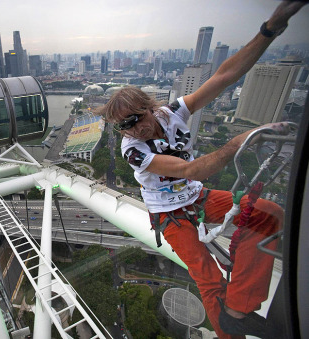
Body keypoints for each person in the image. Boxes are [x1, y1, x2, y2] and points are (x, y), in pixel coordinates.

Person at [96, 2, 306, 338]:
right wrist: (237, 142)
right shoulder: (133, 150)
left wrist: (271, 28)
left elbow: (224, 77)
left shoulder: (172, 113)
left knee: (269, 214)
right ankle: (229, 332)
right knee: (207, 277)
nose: (134, 130)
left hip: (197, 197)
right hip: (170, 213)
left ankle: (238, 308)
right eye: (124, 126)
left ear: (151, 107)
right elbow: (190, 169)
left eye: (137, 119)